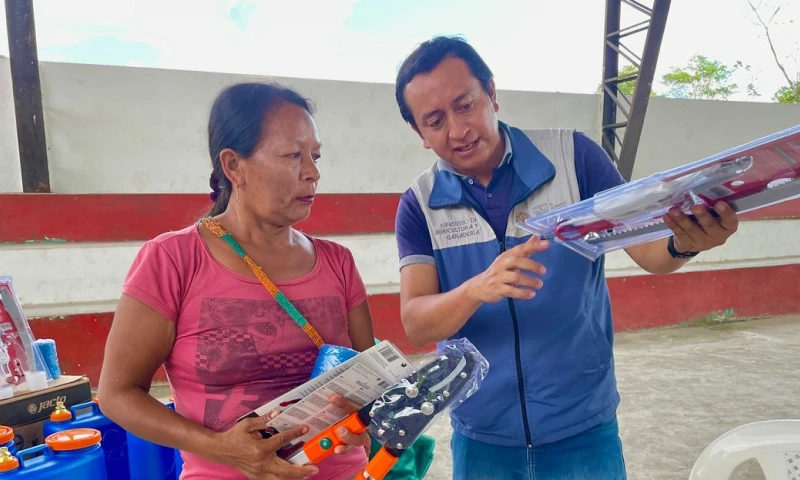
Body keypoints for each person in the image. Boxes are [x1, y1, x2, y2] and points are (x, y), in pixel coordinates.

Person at [392, 36, 740, 479]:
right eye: (436, 120)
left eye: (465, 105)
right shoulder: (419, 205)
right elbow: (417, 323)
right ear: (419, 133)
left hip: (583, 430)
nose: (458, 130)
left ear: (491, 93)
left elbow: (649, 252)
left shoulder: (574, 158)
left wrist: (686, 241)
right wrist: (477, 288)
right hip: (482, 439)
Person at [97, 82, 376, 480]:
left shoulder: (338, 263)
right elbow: (117, 393)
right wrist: (222, 448)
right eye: (293, 156)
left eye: (315, 156)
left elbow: (372, 384)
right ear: (233, 166)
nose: (313, 173)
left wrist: (365, 422)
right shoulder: (173, 260)